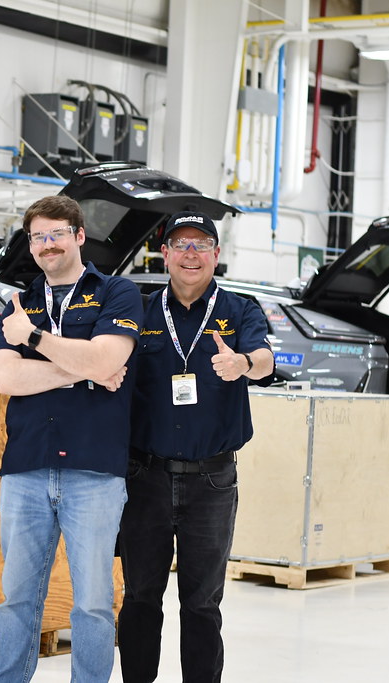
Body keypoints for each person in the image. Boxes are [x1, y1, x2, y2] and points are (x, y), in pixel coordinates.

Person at [0, 194, 142, 683]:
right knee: (16, 597)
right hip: (26, 467)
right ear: (29, 245)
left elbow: (107, 360)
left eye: (56, 233)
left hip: (94, 471)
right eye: (38, 237)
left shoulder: (117, 292)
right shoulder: (20, 301)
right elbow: (6, 380)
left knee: (94, 602)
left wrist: (33, 340)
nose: (47, 244)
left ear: (79, 236)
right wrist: (81, 370)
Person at [118, 211, 274, 683]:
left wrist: (242, 362)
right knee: (141, 597)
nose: (190, 253)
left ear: (216, 255)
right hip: (145, 477)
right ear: (163, 254)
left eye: (201, 244)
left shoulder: (239, 308)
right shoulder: (138, 309)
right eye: (180, 244)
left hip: (212, 480)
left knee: (202, 603)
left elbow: (265, 361)